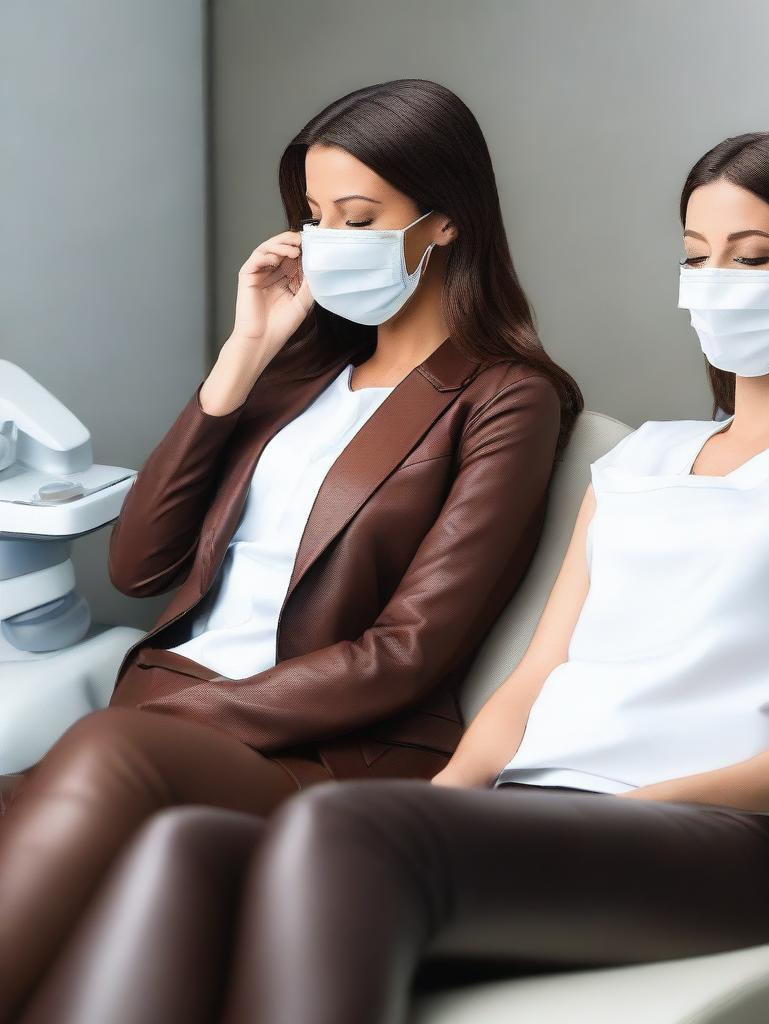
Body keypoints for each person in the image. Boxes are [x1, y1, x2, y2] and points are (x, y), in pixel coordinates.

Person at [15, 129, 769, 1024]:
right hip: (531, 813)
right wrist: (455, 796)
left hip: (709, 845)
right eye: (697, 258)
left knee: (339, 830)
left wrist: (621, 810)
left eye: (750, 259)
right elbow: (533, 681)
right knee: (187, 847)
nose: (712, 286)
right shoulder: (640, 461)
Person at [0, 78, 581, 1020]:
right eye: (314, 216)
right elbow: (137, 567)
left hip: (322, 749)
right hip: (153, 722)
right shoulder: (294, 373)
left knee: (100, 764)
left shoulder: (505, 398)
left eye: (359, 217)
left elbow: (410, 652)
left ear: (444, 224)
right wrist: (243, 352)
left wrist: (197, 718)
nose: (327, 242)